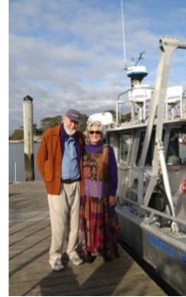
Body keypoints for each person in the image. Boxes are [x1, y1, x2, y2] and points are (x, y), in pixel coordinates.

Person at [37, 109, 85, 271]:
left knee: (75, 223)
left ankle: (72, 251)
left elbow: (82, 158)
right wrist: (48, 179)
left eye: (76, 122)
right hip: (58, 185)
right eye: (71, 120)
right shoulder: (49, 135)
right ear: (64, 119)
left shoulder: (80, 137)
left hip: (77, 184)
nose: (73, 124)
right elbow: (40, 159)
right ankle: (55, 256)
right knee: (59, 225)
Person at [79, 120, 119, 263]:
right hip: (88, 193)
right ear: (87, 134)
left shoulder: (108, 150)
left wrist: (113, 193)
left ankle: (106, 251)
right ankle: (89, 250)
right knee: (88, 222)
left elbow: (114, 174)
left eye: (98, 132)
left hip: (103, 193)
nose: (95, 135)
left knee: (106, 222)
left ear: (102, 134)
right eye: (92, 132)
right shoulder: (83, 149)